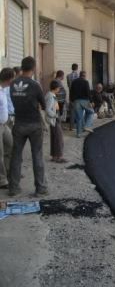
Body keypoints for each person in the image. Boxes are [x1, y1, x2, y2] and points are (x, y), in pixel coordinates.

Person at [9, 56, 47, 197]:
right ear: (33, 68)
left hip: (19, 123)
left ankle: (13, 188)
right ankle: (41, 188)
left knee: (16, 156)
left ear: (22, 67)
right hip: (34, 124)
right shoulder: (35, 85)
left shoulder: (13, 84)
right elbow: (43, 105)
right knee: (37, 155)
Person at [0, 68, 14, 190]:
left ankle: (10, 173)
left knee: (10, 146)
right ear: (9, 79)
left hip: (5, 124)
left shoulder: (4, 90)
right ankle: (2, 180)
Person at [45, 80, 66, 163]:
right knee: (58, 138)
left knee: (55, 138)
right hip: (54, 119)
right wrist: (55, 115)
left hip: (54, 119)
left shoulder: (51, 94)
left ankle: (54, 156)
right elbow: (48, 109)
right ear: (56, 88)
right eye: (58, 88)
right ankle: (59, 157)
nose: (59, 90)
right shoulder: (50, 96)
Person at [70, 71, 94, 138]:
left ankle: (78, 134)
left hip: (76, 101)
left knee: (79, 118)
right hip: (84, 101)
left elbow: (71, 92)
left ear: (79, 75)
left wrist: (71, 101)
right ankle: (86, 126)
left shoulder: (74, 82)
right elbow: (88, 92)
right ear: (84, 76)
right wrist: (91, 101)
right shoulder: (85, 82)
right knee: (91, 112)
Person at [67, 63, 79, 130]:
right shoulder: (78, 76)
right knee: (78, 111)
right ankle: (78, 126)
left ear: (72, 68)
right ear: (77, 68)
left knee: (72, 111)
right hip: (77, 96)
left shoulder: (68, 76)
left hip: (71, 95)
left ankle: (71, 127)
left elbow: (69, 86)